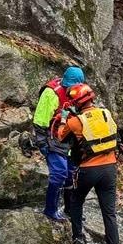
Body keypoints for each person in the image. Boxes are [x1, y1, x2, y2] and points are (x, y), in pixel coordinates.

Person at [55, 82, 122, 244]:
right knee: (109, 213)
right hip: (109, 167)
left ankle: (78, 237)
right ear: (91, 98)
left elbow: (60, 136)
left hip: (88, 169)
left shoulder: (75, 121)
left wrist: (63, 118)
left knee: (76, 201)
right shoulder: (106, 113)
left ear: (77, 102)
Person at [32, 66, 84, 224]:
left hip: (69, 140)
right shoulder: (51, 93)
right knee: (59, 174)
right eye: (68, 87)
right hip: (51, 138)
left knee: (71, 176)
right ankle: (50, 210)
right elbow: (40, 121)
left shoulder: (80, 93)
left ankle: (70, 209)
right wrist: (42, 144)